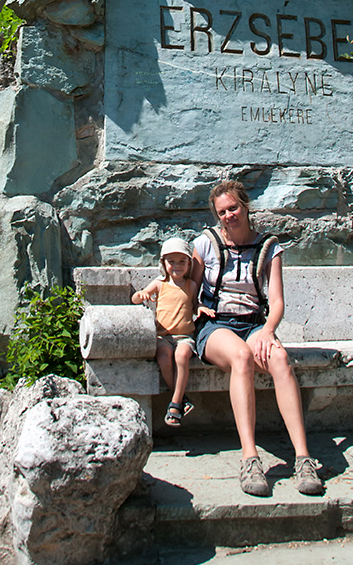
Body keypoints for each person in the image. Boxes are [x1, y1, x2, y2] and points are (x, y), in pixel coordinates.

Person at [192, 180, 323, 497]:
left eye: (233, 208)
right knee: (241, 357)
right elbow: (190, 292)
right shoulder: (206, 244)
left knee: (279, 359)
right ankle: (250, 458)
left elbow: (276, 302)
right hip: (216, 326)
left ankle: (303, 458)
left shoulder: (269, 247)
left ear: (246, 207)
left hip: (253, 325)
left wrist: (267, 331)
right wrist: (195, 308)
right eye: (222, 212)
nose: (228, 216)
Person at [131, 237, 199, 427]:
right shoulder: (160, 283)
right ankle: (180, 397)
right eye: (171, 262)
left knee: (182, 356)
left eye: (181, 262)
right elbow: (136, 298)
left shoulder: (191, 286)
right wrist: (141, 295)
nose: (176, 266)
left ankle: (175, 404)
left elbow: (194, 306)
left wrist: (200, 308)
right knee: (163, 357)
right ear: (163, 263)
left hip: (185, 336)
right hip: (163, 336)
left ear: (188, 264)